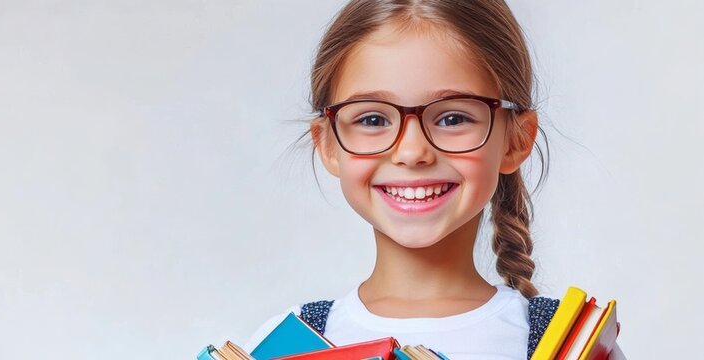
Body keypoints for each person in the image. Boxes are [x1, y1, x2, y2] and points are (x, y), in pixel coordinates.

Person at [242, 1, 625, 359]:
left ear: (516, 140)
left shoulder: (571, 345)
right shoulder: (285, 345)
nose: (412, 152)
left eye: (452, 118)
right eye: (372, 120)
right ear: (327, 144)